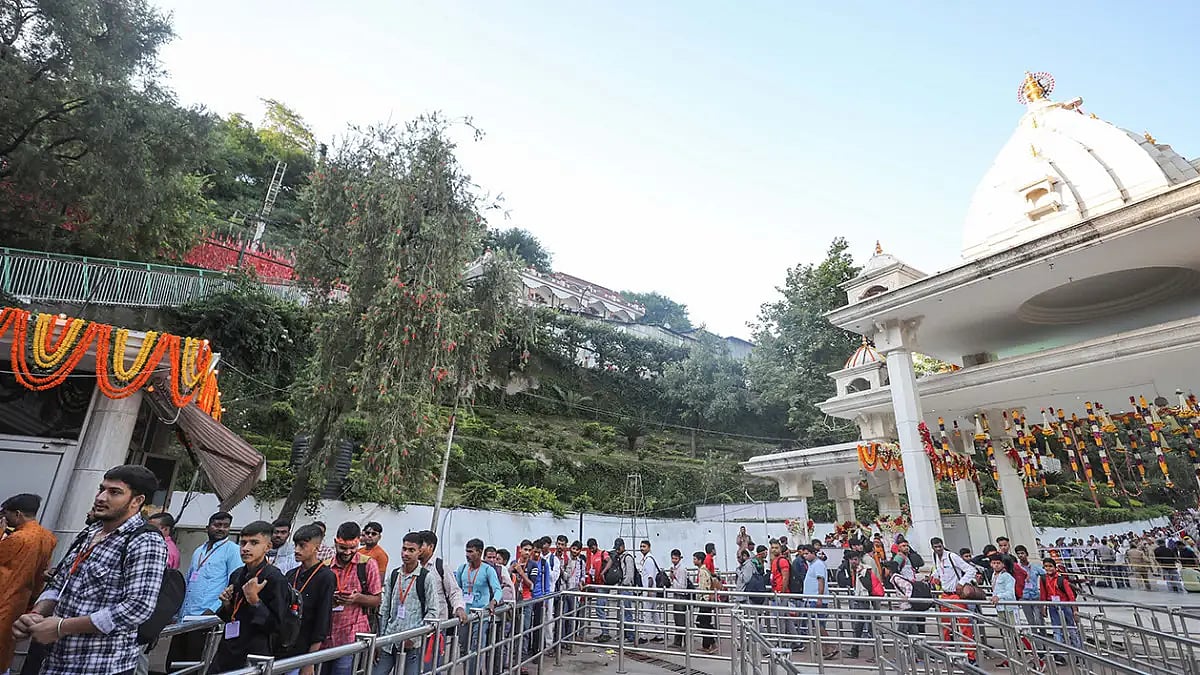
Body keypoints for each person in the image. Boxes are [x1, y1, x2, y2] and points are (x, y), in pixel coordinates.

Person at [13, 466, 166, 675]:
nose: (101, 497)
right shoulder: (90, 533)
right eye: (101, 489)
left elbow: (137, 608)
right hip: (54, 662)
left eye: (114, 492)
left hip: (100, 667)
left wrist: (61, 627)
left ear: (137, 501)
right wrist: (36, 615)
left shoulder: (145, 540)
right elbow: (59, 584)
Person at [210, 520, 290, 673]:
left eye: (254, 543)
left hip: (255, 653)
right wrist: (227, 604)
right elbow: (232, 616)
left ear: (268, 547)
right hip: (229, 647)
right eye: (243, 543)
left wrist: (255, 601)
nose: (246, 549)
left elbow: (277, 627)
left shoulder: (274, 578)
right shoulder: (237, 574)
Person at [1, 494, 56, 674]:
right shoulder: (48, 537)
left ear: (17, 514)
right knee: (6, 646)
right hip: (22, 601)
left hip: (4, 597)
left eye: (6, 514)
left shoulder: (18, 538)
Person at [375, 532, 440, 675]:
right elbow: (385, 608)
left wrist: (415, 637)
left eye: (411, 550)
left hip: (412, 645)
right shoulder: (394, 575)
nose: (406, 553)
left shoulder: (426, 577)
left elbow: (433, 611)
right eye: (404, 549)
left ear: (419, 552)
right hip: (390, 640)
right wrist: (382, 638)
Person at [325, 522, 383, 675]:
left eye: (352, 548)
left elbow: (376, 599)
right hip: (326, 637)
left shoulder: (368, 564)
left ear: (358, 542)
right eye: (343, 548)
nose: (347, 552)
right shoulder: (325, 566)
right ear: (336, 542)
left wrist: (357, 598)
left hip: (352, 635)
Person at [279, 524, 335, 675]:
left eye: (302, 546)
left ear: (317, 548)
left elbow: (323, 619)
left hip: (304, 647)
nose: (297, 550)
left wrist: (310, 661)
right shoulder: (291, 574)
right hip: (283, 644)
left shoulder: (326, 576)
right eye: (295, 545)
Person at [179, 512, 242, 618]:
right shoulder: (199, 551)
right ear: (207, 528)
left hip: (208, 616)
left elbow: (234, 585)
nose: (221, 529)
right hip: (186, 615)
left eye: (226, 526)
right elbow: (188, 580)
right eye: (217, 525)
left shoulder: (233, 550)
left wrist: (213, 610)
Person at [455, 538, 501, 675]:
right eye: (466, 551)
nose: (467, 555)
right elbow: (456, 590)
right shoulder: (462, 569)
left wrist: (493, 603)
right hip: (464, 616)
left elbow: (497, 590)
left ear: (479, 552)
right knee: (463, 648)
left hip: (481, 616)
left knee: (477, 648)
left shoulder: (488, 570)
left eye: (471, 552)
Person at [930, 537, 976, 665]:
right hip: (944, 594)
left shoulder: (952, 556)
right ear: (932, 548)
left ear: (943, 545)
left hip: (956, 595)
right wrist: (935, 577)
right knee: (945, 625)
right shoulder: (935, 557)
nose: (938, 549)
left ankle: (971, 656)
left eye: (940, 546)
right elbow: (939, 571)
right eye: (936, 547)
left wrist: (961, 583)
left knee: (964, 626)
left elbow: (971, 570)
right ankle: (946, 651)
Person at [800, 545, 837, 660]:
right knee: (817, 625)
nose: (805, 556)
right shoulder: (812, 565)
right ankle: (825, 649)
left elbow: (821, 581)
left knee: (818, 625)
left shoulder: (818, 565)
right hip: (811, 598)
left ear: (813, 553)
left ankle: (830, 647)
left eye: (807, 553)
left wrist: (819, 598)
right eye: (804, 554)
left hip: (815, 599)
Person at [1040, 556, 1082, 655]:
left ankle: (1078, 651)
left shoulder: (1061, 580)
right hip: (1052, 605)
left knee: (1071, 628)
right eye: (1046, 566)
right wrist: (1043, 607)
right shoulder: (1043, 579)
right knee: (1056, 629)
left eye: (1050, 566)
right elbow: (1043, 594)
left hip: (1065, 605)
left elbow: (1071, 596)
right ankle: (1059, 654)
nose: (1048, 568)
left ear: (1055, 567)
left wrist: (1075, 610)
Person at [611, 538, 638, 645]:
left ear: (622, 547)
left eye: (618, 548)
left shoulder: (628, 558)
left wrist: (624, 583)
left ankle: (630, 636)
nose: (617, 550)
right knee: (622, 612)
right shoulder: (621, 557)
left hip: (626, 588)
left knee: (627, 612)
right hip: (621, 587)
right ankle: (625, 634)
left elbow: (630, 574)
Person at [1013, 545, 1045, 633]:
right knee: (1031, 621)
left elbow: (1045, 574)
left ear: (1026, 554)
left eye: (1022, 553)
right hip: (1024, 596)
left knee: (1039, 620)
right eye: (1018, 554)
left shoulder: (1034, 567)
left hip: (1035, 595)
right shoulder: (1017, 568)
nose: (1020, 555)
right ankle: (1037, 644)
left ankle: (1045, 641)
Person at [584, 538, 611, 642]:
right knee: (599, 609)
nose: (591, 549)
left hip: (603, 585)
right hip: (596, 584)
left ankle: (606, 633)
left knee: (600, 609)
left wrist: (603, 572)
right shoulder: (592, 556)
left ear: (596, 545)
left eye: (592, 547)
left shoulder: (603, 553)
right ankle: (604, 632)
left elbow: (609, 562)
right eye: (590, 548)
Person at [637, 540, 663, 645]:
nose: (642, 548)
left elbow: (650, 577)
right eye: (641, 546)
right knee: (654, 613)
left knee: (646, 613)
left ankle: (643, 636)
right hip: (650, 590)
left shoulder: (649, 560)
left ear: (649, 547)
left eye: (644, 546)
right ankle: (659, 634)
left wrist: (649, 590)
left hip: (649, 590)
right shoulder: (647, 559)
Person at [692, 552, 717, 655]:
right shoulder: (705, 570)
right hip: (706, 599)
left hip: (704, 600)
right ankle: (707, 644)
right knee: (703, 622)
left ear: (700, 560)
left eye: (695, 559)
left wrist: (699, 598)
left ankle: (710, 643)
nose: (694, 561)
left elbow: (703, 587)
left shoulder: (702, 571)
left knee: (702, 622)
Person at [668, 549, 688, 649]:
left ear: (679, 558)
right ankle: (677, 641)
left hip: (681, 595)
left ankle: (684, 642)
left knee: (681, 620)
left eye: (676, 558)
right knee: (677, 619)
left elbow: (682, 586)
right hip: (676, 594)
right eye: (673, 558)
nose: (674, 560)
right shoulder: (674, 568)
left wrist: (673, 579)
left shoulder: (682, 569)